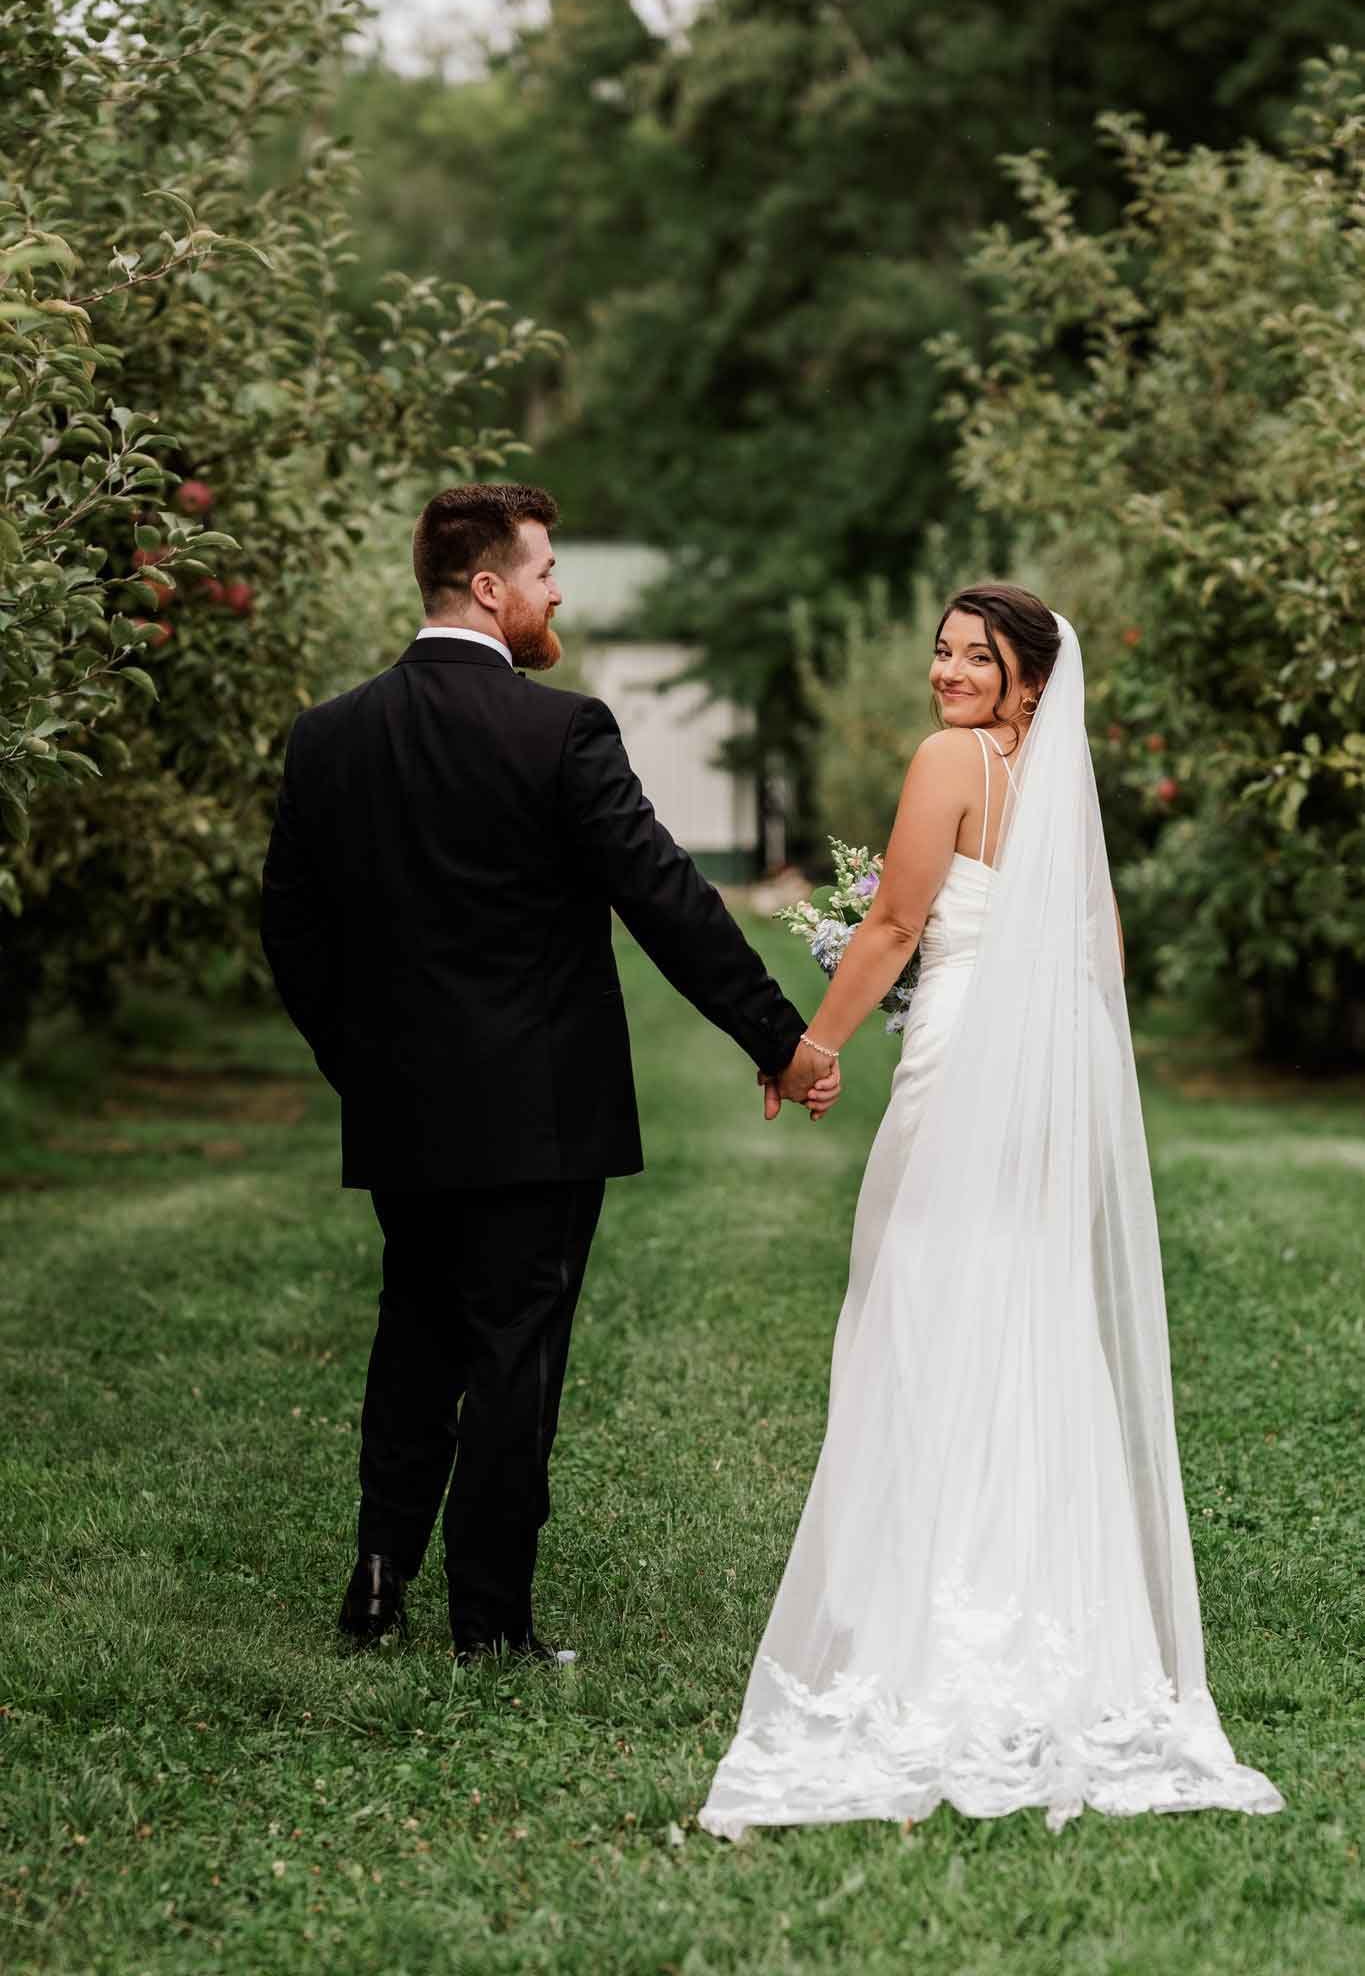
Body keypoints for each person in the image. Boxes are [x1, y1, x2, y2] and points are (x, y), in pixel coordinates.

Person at [700, 583, 1283, 1834]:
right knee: (1025, 1312)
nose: (948, 672)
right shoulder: (1061, 782)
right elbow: (1102, 951)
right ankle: (1049, 1607)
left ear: (1031, 677)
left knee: (921, 1299)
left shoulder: (947, 761)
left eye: (978, 656)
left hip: (965, 1059)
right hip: (1048, 1068)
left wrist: (810, 1047)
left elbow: (896, 922)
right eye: (942, 650)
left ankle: (923, 1602)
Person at [260, 483, 836, 1661]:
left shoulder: (330, 735)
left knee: (414, 1332)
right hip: (538, 1113)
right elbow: (666, 896)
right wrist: (778, 1037)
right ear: (490, 588)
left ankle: (377, 1585)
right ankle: (490, 1621)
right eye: (545, 570)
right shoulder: (560, 732)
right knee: (514, 1352)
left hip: (405, 1110)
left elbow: (292, 932)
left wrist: (364, 1063)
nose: (558, 591)